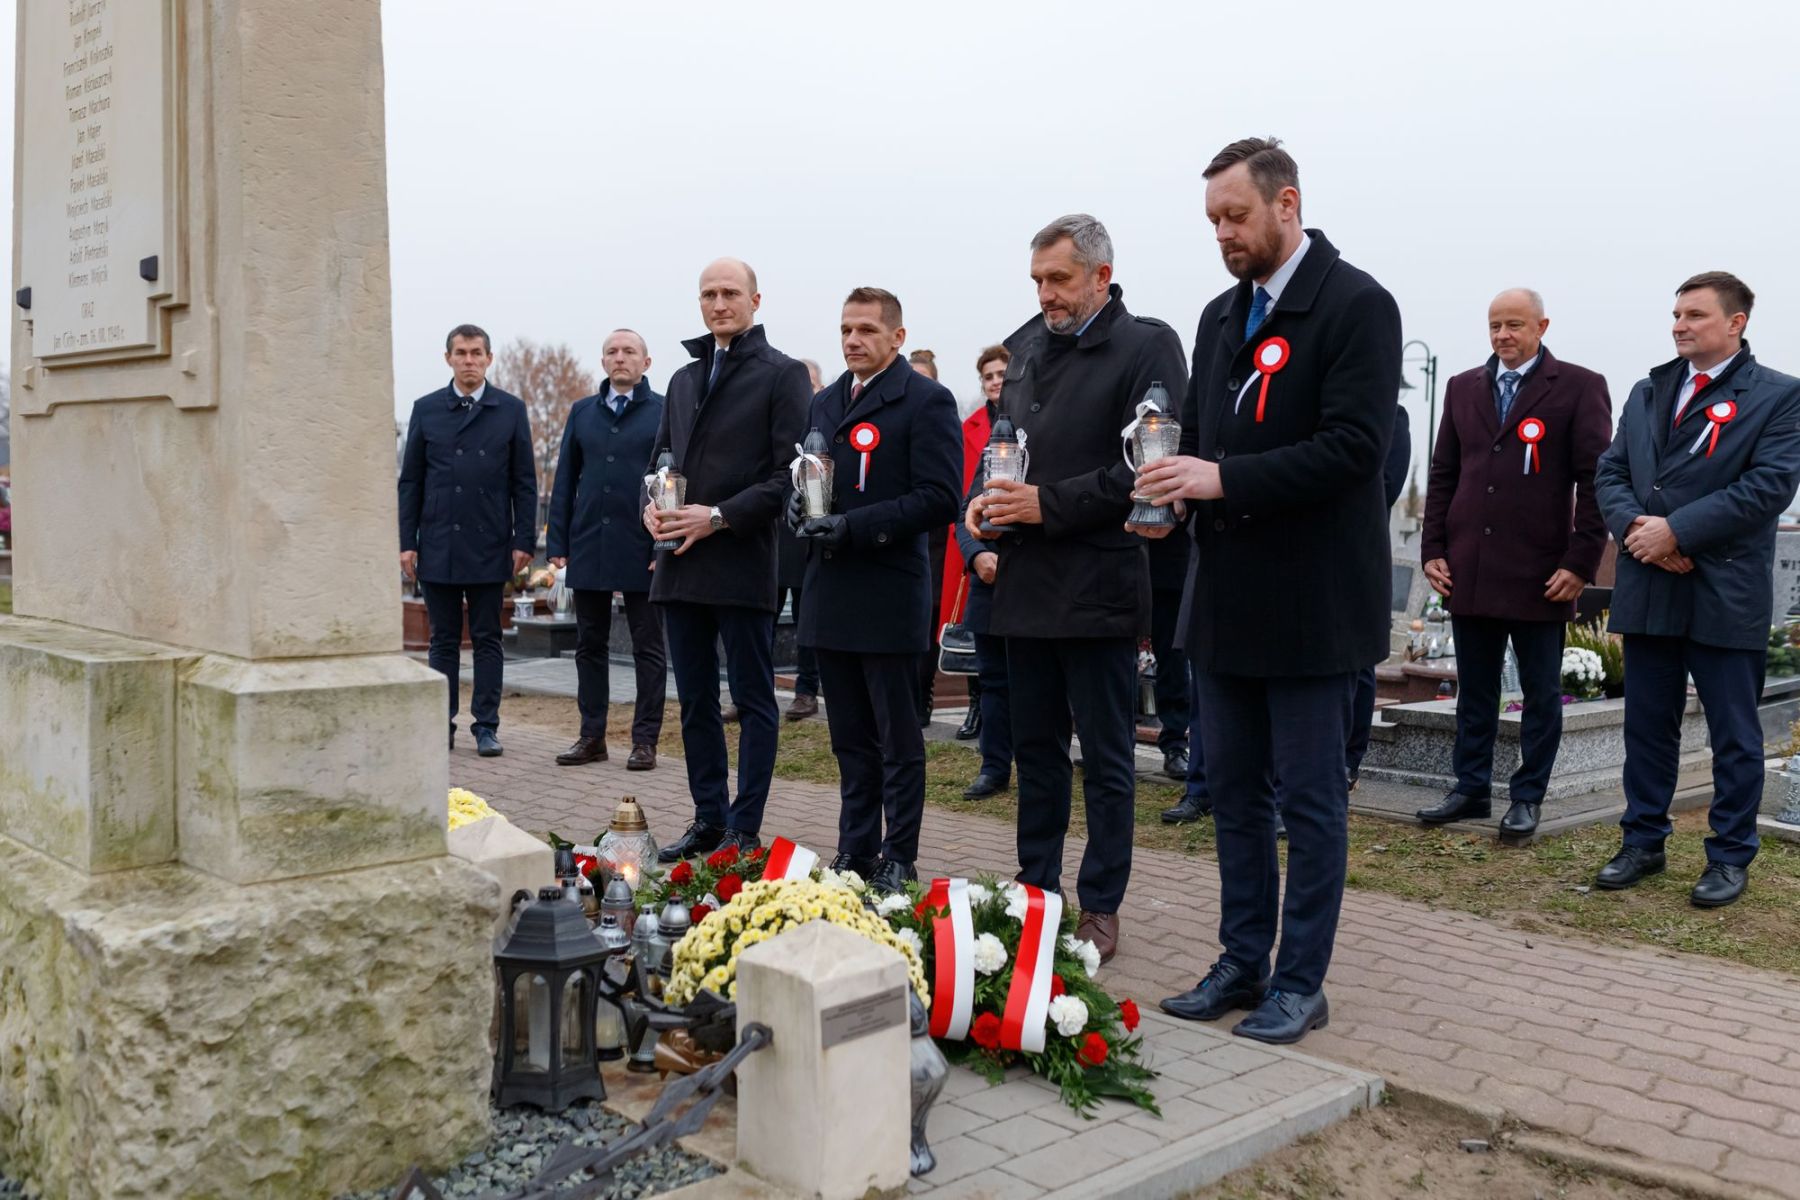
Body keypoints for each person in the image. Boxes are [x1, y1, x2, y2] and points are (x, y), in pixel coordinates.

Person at [1145, 137, 1400, 1044]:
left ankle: (1301, 981)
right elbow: (1201, 437)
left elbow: (1355, 449)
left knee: (1310, 801)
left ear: (1286, 204)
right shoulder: (1220, 315)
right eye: (1213, 219)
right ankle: (1242, 960)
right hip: (1225, 599)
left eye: (1237, 215)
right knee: (1236, 794)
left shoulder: (1357, 304)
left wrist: (1223, 480)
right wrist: (1172, 489)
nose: (1223, 233)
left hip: (1313, 602)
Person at [965, 214, 1188, 963]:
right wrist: (984, 502)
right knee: (1035, 752)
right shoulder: (1026, 348)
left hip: (1098, 587)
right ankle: (1036, 889)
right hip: (1025, 585)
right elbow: (1005, 447)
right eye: (1037, 280)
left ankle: (1101, 904)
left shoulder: (1147, 346)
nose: (1045, 294)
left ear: (1101, 275)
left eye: (1058, 279)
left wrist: (1046, 505)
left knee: (1106, 758)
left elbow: (1148, 467)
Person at [1592, 272, 1800, 908]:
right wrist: (1638, 530)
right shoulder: (1648, 390)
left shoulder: (1779, 395)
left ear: (1736, 323)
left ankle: (1729, 855)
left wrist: (1677, 532)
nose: (1679, 325)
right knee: (1647, 728)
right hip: (1650, 583)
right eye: (1677, 313)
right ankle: (1642, 842)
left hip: (1722, 587)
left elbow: (1766, 487)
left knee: (1733, 735)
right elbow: (1611, 470)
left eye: (1695, 315)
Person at [1416, 291, 1612, 838]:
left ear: (1541, 326)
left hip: (1541, 574)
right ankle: (1470, 789)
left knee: (1540, 694)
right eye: (1495, 325)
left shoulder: (1579, 386)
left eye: (1514, 325)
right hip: (1470, 568)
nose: (1503, 335)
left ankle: (1527, 797)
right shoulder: (1462, 388)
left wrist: (1580, 562)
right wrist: (1434, 549)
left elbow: (1595, 482)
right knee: (1475, 691)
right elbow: (1443, 473)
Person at [792, 289, 960, 893]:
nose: (853, 340)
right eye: (845, 329)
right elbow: (810, 473)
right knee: (849, 738)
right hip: (831, 591)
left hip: (888, 593)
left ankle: (899, 855)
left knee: (897, 739)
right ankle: (855, 847)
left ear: (897, 336)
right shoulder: (826, 400)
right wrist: (799, 505)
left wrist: (854, 526)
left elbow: (941, 497)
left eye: (866, 329)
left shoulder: (927, 400)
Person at [647, 258, 810, 862]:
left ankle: (745, 826)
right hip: (680, 563)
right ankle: (708, 818)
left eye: (730, 293)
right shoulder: (683, 379)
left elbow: (789, 477)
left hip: (741, 559)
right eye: (709, 294)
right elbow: (660, 461)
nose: (719, 304)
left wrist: (716, 516)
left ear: (755, 300)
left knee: (752, 699)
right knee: (694, 702)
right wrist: (651, 508)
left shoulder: (783, 374)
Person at [398, 324, 537, 758]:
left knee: (487, 638)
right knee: (442, 640)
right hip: (439, 541)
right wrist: (406, 542)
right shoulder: (426, 409)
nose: (469, 360)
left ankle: (486, 726)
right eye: (461, 353)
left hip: (489, 542)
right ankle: (440, 725)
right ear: (448, 359)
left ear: (489, 359)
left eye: (477, 353)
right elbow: (411, 482)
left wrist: (523, 540)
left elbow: (524, 482)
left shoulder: (510, 410)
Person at [546, 328, 668, 771]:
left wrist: (664, 545)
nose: (620, 357)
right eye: (612, 351)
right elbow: (565, 479)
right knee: (589, 645)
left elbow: (672, 481)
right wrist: (558, 541)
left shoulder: (663, 411)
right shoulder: (582, 412)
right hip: (589, 544)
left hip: (643, 543)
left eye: (629, 351)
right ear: (603, 362)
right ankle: (591, 736)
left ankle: (645, 741)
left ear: (646, 362)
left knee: (648, 648)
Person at [947, 346, 1015, 796]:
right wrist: (975, 556)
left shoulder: (1035, 427)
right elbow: (965, 510)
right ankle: (994, 766)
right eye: (989, 375)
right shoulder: (982, 435)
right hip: (988, 578)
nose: (996, 382)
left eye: (1002, 374)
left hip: (1032, 576)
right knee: (992, 680)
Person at [773, 357, 828, 723]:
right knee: (764, 618)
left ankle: (806, 691)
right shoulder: (776, 416)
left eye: (809, 382)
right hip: (775, 533)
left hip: (810, 535)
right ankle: (752, 692)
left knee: (806, 618)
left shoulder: (823, 420)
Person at [909, 346, 949, 725]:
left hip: (937, 544)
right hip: (902, 538)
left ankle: (924, 696)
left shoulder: (940, 417)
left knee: (930, 624)